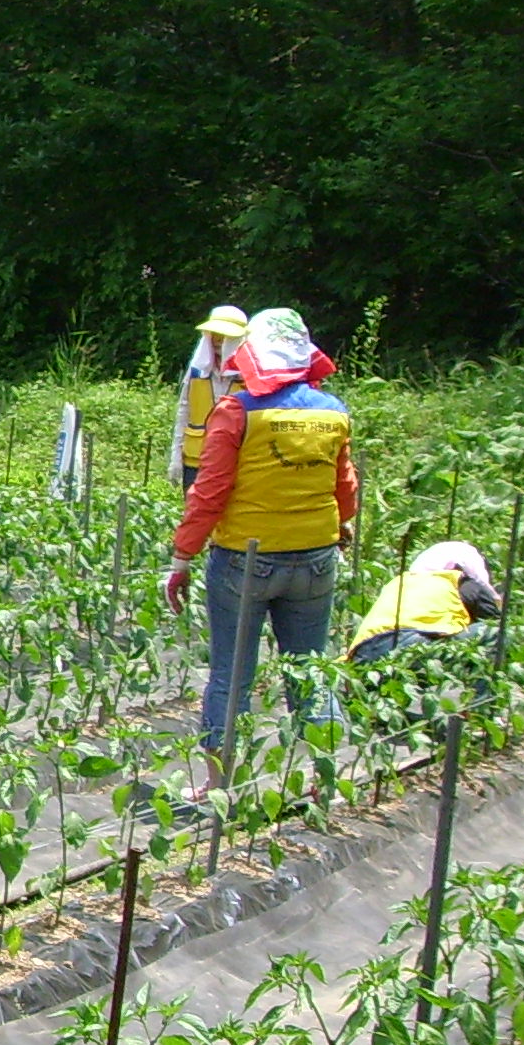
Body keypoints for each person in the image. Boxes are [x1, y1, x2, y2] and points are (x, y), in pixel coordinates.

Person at [163, 306, 358, 783]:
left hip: (244, 562)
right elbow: (345, 487)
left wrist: (182, 557)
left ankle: (217, 787)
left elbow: (208, 493)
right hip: (315, 558)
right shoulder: (333, 413)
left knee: (231, 676)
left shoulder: (237, 412)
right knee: (310, 671)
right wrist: (342, 526)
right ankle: (325, 781)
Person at [348, 541, 502, 667]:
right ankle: (482, 703)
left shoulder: (400, 582)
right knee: (497, 631)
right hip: (404, 647)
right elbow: (493, 620)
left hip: (362, 655)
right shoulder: (460, 582)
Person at [167, 303, 249, 486]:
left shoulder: (251, 377)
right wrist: (175, 457)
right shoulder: (197, 371)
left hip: (236, 463)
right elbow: (184, 411)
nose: (219, 341)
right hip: (196, 461)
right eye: (215, 335)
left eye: (225, 337)